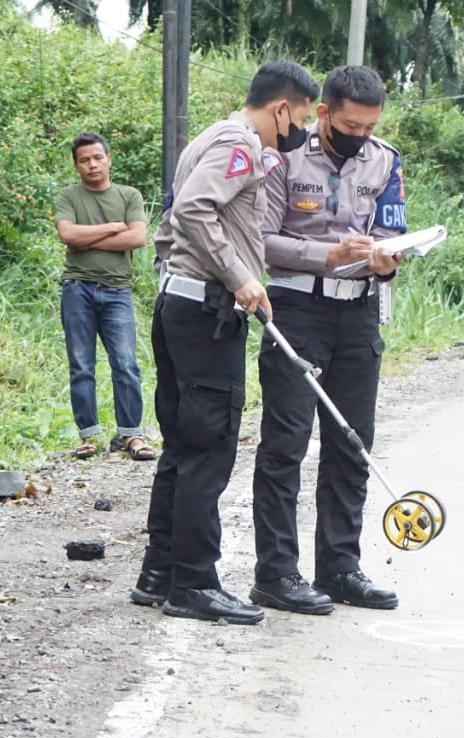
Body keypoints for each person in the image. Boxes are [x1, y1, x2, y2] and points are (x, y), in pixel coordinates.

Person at [130, 61, 319, 625]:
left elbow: (174, 222)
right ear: (282, 108)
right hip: (205, 312)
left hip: (182, 303)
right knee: (210, 445)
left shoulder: (211, 137)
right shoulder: (238, 143)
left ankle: (159, 573)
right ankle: (194, 582)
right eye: (301, 117)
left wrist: (198, 276)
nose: (300, 130)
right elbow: (192, 210)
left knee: (184, 442)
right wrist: (239, 276)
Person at [250, 65, 405, 615]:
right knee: (285, 443)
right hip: (295, 308)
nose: (360, 136)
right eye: (350, 125)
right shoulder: (283, 155)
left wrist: (387, 260)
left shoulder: (385, 160)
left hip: (358, 313)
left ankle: (340, 568)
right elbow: (263, 239)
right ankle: (276, 572)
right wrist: (326, 255)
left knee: (352, 442)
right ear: (323, 114)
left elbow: (391, 230)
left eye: (369, 127)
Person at [54, 132, 155, 461]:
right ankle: (89, 436)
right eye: (84, 160)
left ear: (109, 159)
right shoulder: (69, 196)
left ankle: (130, 435)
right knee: (81, 365)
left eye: (97, 157)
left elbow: (138, 237)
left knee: (126, 364)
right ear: (77, 165)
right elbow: (67, 234)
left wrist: (85, 239)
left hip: (117, 291)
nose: (92, 164)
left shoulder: (129, 195)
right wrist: (114, 227)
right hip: (77, 289)